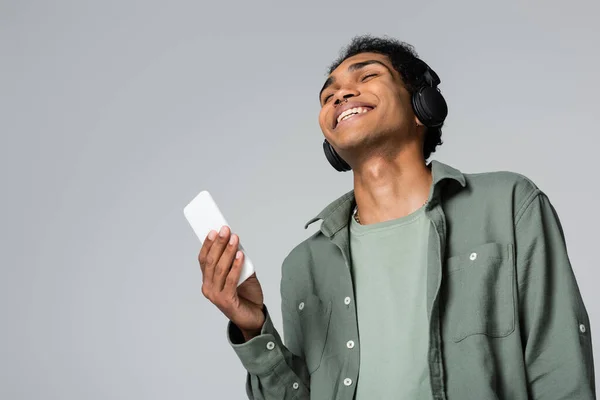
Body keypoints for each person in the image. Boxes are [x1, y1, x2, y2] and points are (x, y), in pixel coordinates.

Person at [197, 35, 596, 399]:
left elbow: (558, 366)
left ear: (423, 105)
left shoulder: (509, 204)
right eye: (328, 95)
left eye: (367, 75)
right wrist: (252, 326)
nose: (341, 94)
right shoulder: (304, 266)